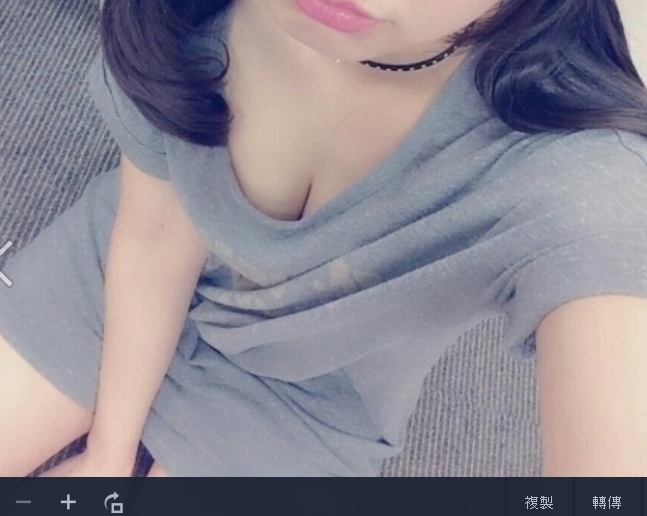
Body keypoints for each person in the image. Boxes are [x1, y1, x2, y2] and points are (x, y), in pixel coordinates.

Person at [1, 0, 646, 477]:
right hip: (117, 280)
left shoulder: (570, 171)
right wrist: (107, 457)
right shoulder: (188, 15)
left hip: (315, 396)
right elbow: (152, 236)